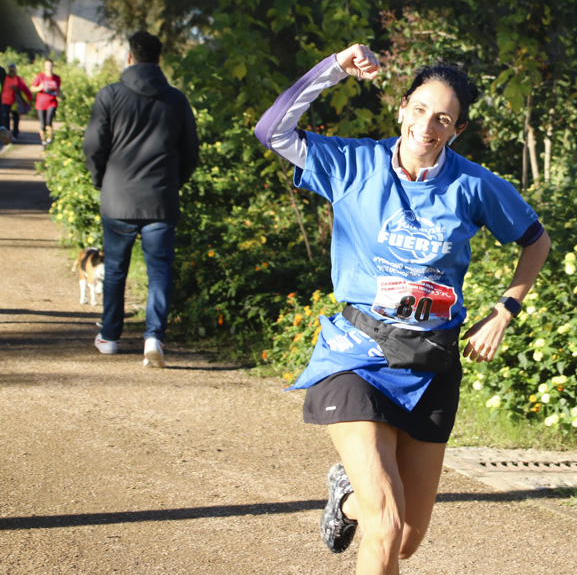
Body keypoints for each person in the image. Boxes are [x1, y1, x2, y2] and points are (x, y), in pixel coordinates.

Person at [255, 43, 550, 574]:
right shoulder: (352, 164)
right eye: (419, 109)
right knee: (386, 524)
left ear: (456, 131)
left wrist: (506, 309)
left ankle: (346, 497)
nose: (427, 125)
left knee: (405, 538)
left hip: (433, 362)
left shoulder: (472, 184)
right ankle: (364, 501)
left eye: (443, 118)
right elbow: (271, 131)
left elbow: (536, 240)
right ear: (401, 109)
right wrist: (333, 70)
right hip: (357, 354)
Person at [83, 31, 199, 367]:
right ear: (158, 59)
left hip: (117, 197)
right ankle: (154, 339)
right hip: (160, 199)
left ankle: (109, 336)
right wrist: (172, 183)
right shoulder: (176, 100)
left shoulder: (109, 95)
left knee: (115, 270)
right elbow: (190, 152)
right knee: (159, 270)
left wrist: (100, 180)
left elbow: (93, 145)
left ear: (129, 57)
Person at [29, 58, 61, 145]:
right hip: (41, 103)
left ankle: (49, 139)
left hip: (52, 102)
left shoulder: (56, 78)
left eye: (50, 65)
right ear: (44, 66)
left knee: (49, 121)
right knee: (43, 124)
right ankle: (43, 141)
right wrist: (39, 87)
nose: (49, 67)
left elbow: (58, 89)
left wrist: (59, 96)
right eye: (47, 65)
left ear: (52, 66)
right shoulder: (40, 76)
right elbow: (32, 88)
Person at [1, 63, 31, 139]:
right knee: (5, 118)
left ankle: (15, 134)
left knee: (16, 118)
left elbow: (24, 89)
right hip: (5, 101)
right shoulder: (5, 77)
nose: (11, 72)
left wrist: (17, 88)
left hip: (15, 102)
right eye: (10, 71)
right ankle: (7, 134)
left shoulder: (18, 79)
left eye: (13, 70)